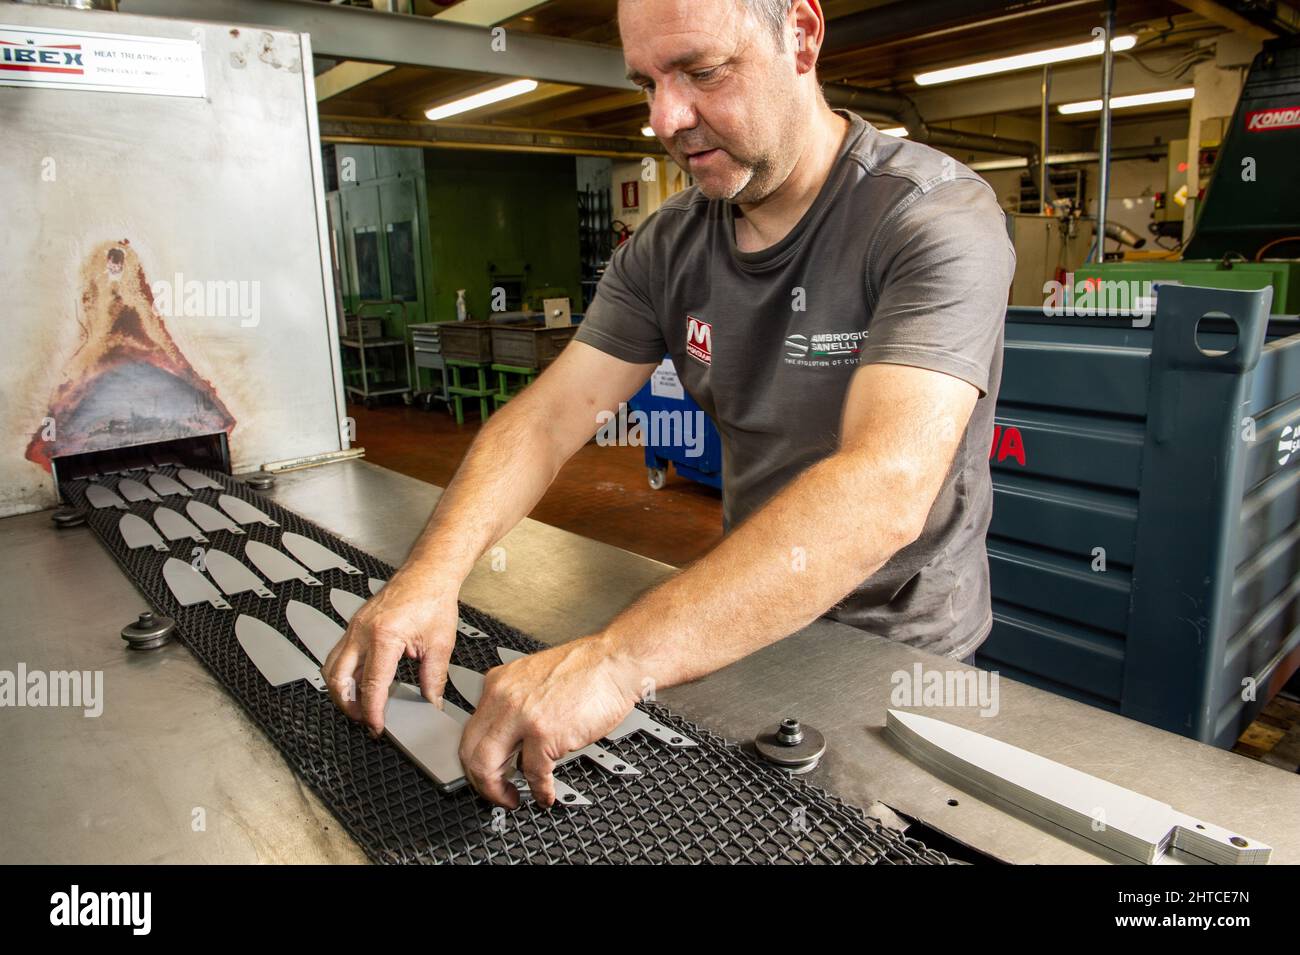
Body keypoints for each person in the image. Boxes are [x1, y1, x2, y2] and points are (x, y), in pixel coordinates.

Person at [323, 0, 1015, 808]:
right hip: (741, 620)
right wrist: (429, 575)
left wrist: (617, 658)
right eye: (647, 81)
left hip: (900, 656)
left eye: (701, 71)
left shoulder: (929, 217)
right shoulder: (668, 243)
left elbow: (885, 486)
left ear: (801, 35)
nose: (665, 117)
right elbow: (548, 419)